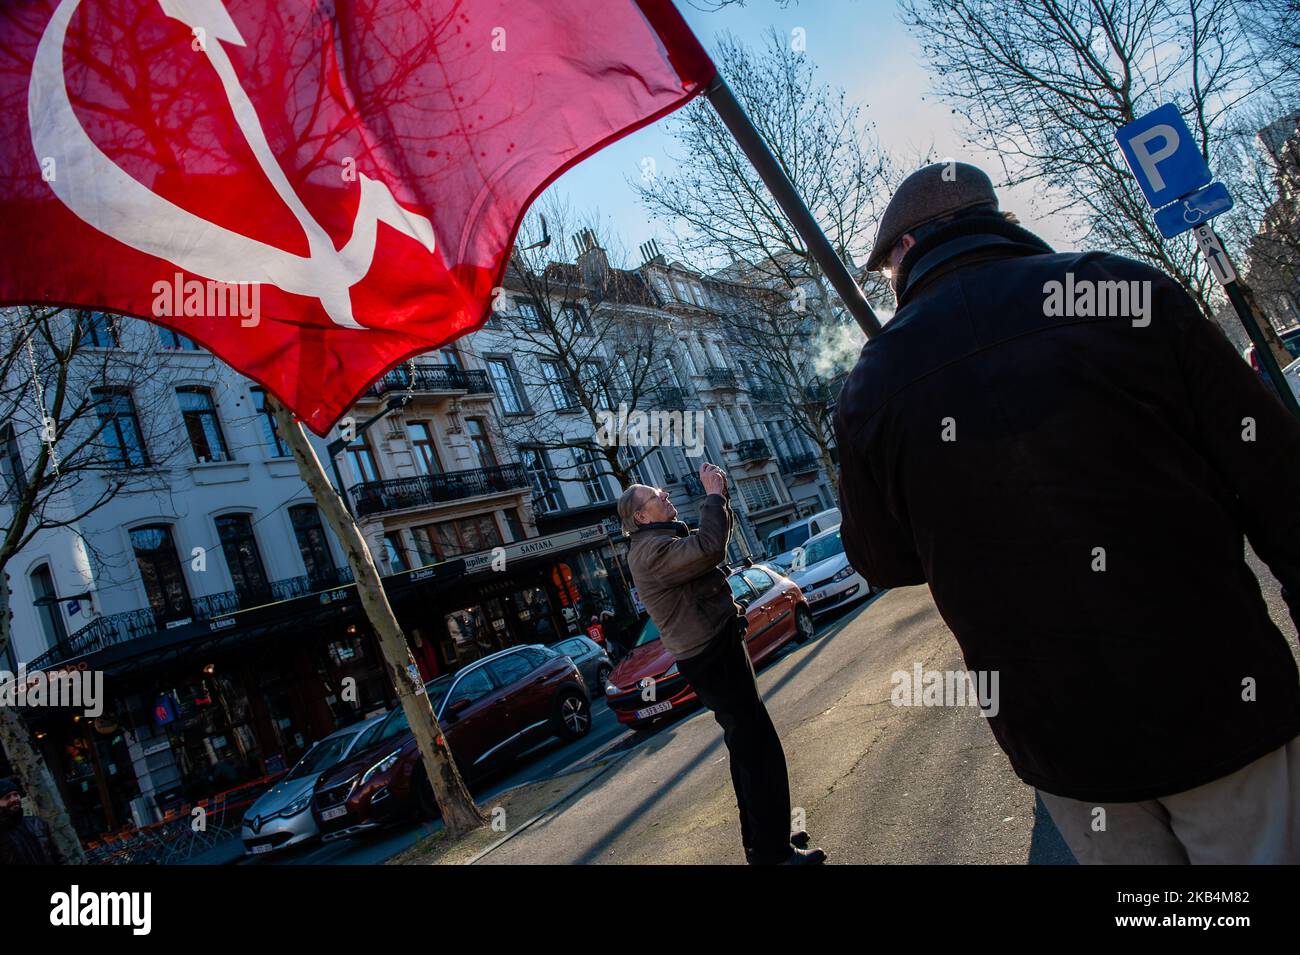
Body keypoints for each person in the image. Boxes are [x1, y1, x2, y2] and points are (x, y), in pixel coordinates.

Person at [835, 161, 1300, 864]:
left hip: (1066, 743)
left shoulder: (872, 384)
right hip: (1221, 698)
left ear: (903, 253)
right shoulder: (1122, 292)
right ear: (997, 219)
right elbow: (1275, 474)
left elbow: (881, 558)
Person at [617, 462, 825, 864]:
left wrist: (719, 501)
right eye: (655, 497)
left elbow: (706, 549)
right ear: (640, 517)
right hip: (711, 653)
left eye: (662, 490)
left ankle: (766, 840)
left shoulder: (658, 541)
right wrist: (713, 496)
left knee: (747, 745)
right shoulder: (650, 552)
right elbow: (710, 547)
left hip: (715, 646)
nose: (665, 495)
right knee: (757, 746)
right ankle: (773, 853)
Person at [0, 776, 64, 865]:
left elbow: (57, 857)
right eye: (7, 797)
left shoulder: (37, 823)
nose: (14, 799)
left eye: (16, 794)